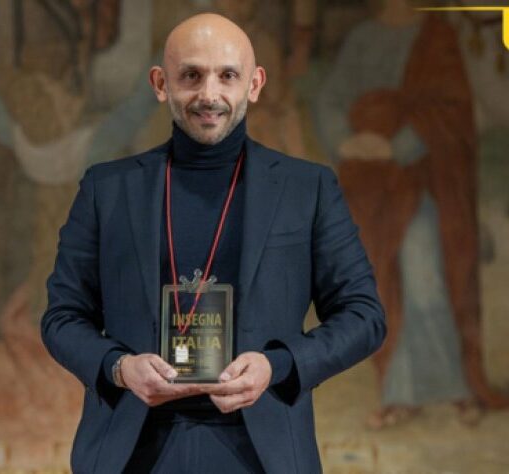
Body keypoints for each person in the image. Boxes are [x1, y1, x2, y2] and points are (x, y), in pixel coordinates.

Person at [41, 13, 386, 474]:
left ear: (254, 84)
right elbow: (62, 317)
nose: (209, 94)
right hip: (132, 449)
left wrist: (278, 365)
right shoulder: (106, 189)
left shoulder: (308, 189)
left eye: (227, 75)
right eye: (191, 75)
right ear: (160, 83)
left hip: (263, 451)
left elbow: (364, 316)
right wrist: (119, 368)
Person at [316, 0, 509, 429]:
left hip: (425, 178)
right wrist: (346, 140)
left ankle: (455, 386)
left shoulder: (437, 36)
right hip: (368, 182)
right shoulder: (363, 38)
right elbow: (331, 98)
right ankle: (399, 393)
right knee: (382, 281)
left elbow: (450, 112)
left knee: (426, 274)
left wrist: (397, 146)